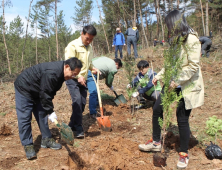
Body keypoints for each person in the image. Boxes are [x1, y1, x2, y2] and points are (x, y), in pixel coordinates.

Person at [138, 10, 204, 169]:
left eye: (169, 25)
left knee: (181, 118)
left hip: (186, 85)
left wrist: (177, 80)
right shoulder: (175, 40)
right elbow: (170, 64)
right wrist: (159, 75)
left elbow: (193, 66)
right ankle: (155, 142)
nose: (168, 28)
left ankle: (183, 153)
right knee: (157, 109)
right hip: (172, 82)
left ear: (177, 23)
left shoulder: (192, 39)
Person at [14, 57, 82, 160]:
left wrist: (48, 109)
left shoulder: (61, 75)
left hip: (39, 90)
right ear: (67, 67)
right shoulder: (52, 73)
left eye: (75, 75)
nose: (73, 77)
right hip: (25, 88)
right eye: (73, 74)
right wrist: (50, 111)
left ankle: (46, 139)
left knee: (42, 113)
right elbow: (45, 93)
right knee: (25, 117)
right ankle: (28, 145)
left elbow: (49, 92)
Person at [65, 25, 98, 138]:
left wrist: (92, 68)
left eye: (91, 39)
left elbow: (89, 62)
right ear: (82, 34)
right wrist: (78, 76)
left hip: (83, 79)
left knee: (82, 103)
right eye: (87, 38)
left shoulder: (89, 48)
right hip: (72, 78)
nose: (89, 41)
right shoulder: (72, 46)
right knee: (77, 101)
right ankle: (78, 127)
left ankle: (71, 125)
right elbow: (69, 65)